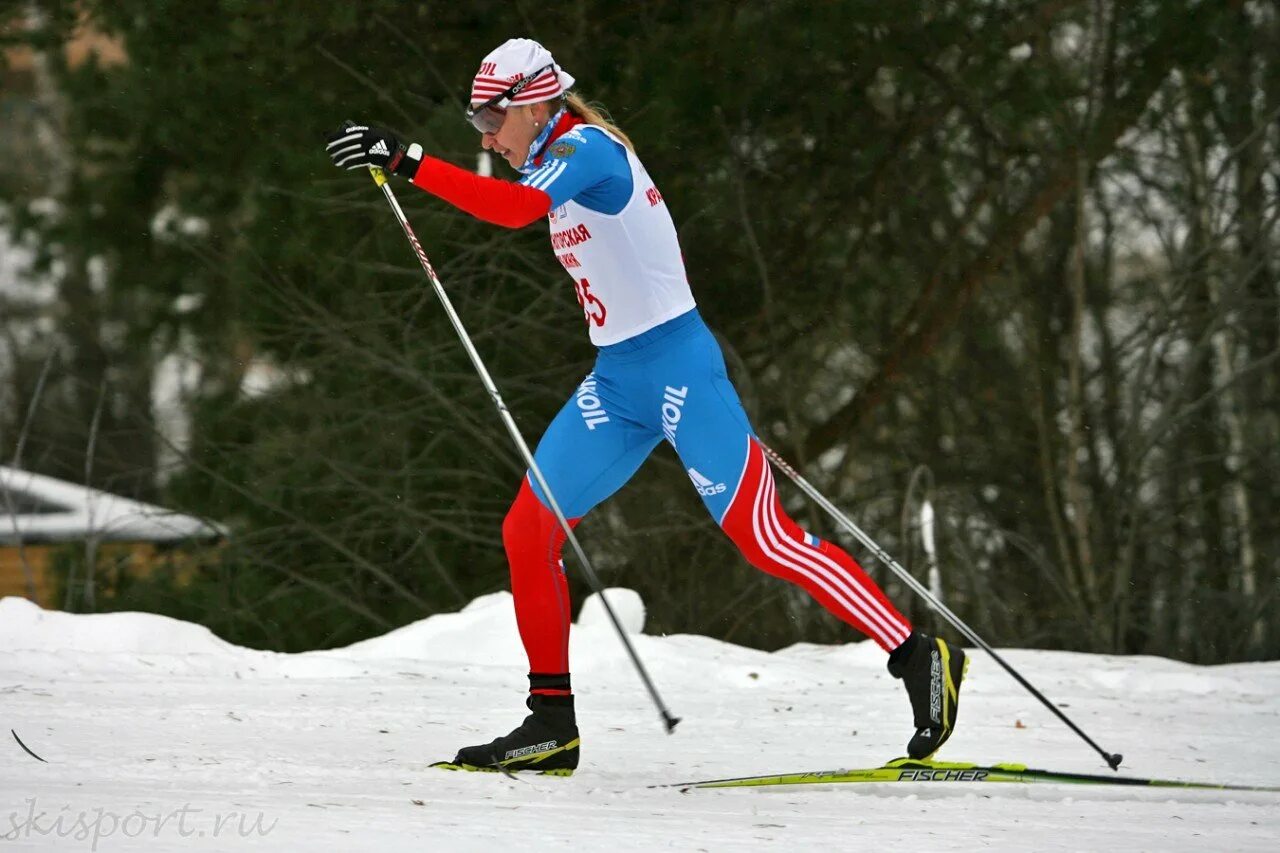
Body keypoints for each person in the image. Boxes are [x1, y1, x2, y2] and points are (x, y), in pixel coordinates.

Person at [326, 38, 966, 776]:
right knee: (527, 530)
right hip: (619, 381)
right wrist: (410, 163)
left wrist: (408, 160)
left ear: (535, 103)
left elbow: (509, 213)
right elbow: (505, 192)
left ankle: (919, 654)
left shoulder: (588, 150)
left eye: (492, 120)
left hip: (681, 372)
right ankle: (551, 720)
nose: (486, 137)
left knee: (764, 538)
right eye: (478, 123)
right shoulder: (543, 156)